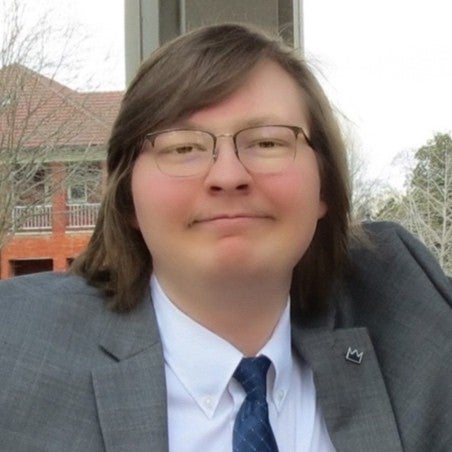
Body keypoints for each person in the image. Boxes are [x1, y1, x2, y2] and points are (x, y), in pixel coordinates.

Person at [0, 23, 451, 452]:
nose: (229, 175)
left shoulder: (404, 300)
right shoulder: (16, 346)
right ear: (126, 198)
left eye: (269, 142)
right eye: (182, 148)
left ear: (325, 187)